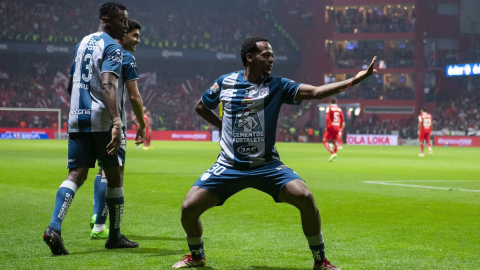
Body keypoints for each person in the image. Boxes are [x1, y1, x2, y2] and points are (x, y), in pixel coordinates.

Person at [172, 37, 377, 270]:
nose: (271, 59)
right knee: (189, 209)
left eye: (272, 55)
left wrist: (353, 80)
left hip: (267, 165)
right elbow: (201, 106)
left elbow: (317, 92)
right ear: (250, 57)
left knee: (305, 198)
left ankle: (320, 261)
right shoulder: (225, 82)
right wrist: (222, 125)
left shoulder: (278, 85)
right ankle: (197, 257)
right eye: (266, 55)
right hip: (229, 165)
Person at [43, 2, 139, 255]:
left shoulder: (82, 43)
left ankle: (54, 227)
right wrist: (117, 121)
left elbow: (71, 82)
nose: (126, 25)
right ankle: (114, 236)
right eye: (122, 20)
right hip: (102, 121)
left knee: (76, 174)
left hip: (76, 118)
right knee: (114, 176)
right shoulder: (112, 47)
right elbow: (108, 86)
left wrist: (79, 106)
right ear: (108, 20)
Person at [90, 18, 146, 239]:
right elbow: (134, 95)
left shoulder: (98, 52)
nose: (137, 40)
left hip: (91, 120)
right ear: (123, 34)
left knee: (102, 170)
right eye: (134, 35)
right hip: (113, 122)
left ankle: (97, 215)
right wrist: (141, 124)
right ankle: (101, 225)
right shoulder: (126, 57)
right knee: (114, 173)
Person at [323, 97, 345, 162]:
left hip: (331, 126)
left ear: (330, 102)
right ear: (336, 102)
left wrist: (327, 126)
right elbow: (343, 121)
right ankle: (334, 157)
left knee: (324, 141)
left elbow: (327, 118)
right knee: (335, 141)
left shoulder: (329, 108)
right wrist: (341, 129)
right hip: (337, 127)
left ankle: (332, 153)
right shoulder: (339, 109)